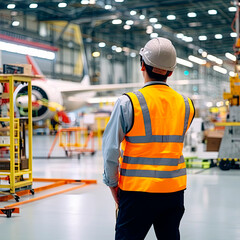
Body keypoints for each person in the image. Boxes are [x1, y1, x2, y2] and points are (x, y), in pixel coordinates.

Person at [102, 37, 195, 240]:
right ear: (171, 71)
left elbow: (110, 150)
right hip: (174, 190)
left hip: (137, 191)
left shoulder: (128, 103)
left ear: (142, 65)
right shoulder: (187, 105)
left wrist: (112, 184)